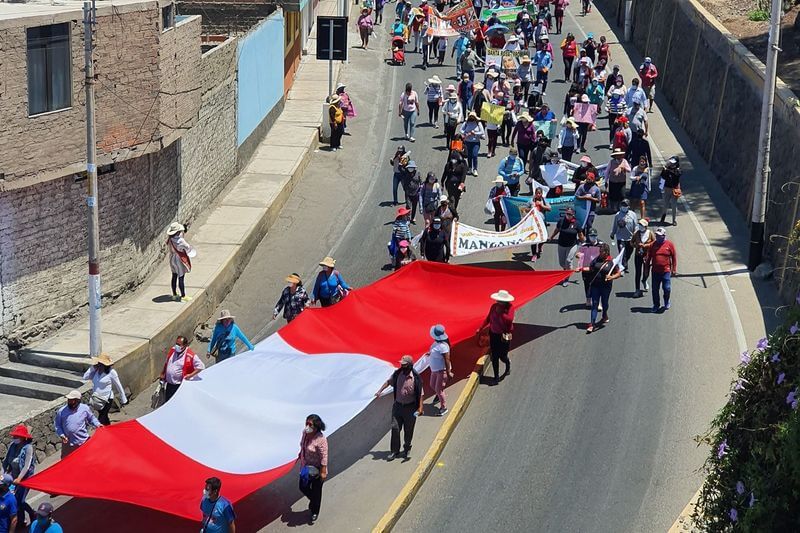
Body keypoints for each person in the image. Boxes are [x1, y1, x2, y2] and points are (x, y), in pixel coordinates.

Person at [374, 355, 423, 460]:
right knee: (395, 428)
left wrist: (420, 408)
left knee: (408, 430)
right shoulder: (397, 374)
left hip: (410, 409)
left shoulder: (416, 378)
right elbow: (388, 382)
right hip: (397, 407)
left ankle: (407, 448)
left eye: (404, 365)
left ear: (409, 365)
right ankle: (394, 451)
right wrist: (379, 391)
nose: (402, 366)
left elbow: (420, 395)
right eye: (402, 364)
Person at [478, 290, 515, 383]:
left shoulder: (510, 308)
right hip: (493, 334)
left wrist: (501, 313)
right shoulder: (494, 307)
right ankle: (496, 377)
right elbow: (488, 318)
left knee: (503, 356)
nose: (498, 302)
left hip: (503, 336)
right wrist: (481, 327)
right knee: (494, 356)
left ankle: (507, 364)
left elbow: (509, 320)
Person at [2, 426, 35, 528]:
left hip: (25, 478)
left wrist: (19, 478)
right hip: (14, 476)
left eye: (17, 436)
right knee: (14, 499)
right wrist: (2, 474)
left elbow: (27, 465)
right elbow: (6, 461)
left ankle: (26, 517)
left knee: (20, 500)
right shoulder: (12, 446)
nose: (14, 438)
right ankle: (22, 519)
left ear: (23, 437)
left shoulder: (28, 448)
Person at [586, 243, 622, 333]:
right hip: (595, 286)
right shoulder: (596, 260)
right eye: (600, 251)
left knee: (605, 303)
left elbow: (618, 273)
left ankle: (604, 314)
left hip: (606, 287)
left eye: (601, 251)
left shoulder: (612, 262)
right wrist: (581, 269)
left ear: (606, 252)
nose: (600, 253)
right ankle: (592, 323)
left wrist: (612, 277)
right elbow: (591, 268)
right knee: (594, 304)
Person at [298, 414, 328, 524]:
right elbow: (302, 445)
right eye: (306, 423)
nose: (307, 426)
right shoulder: (305, 433)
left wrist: (323, 471)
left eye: (310, 424)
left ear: (316, 427)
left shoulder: (321, 439)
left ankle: (315, 511)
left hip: (317, 469)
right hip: (306, 467)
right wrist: (300, 454)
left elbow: (324, 456)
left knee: (317, 491)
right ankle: (313, 500)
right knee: (303, 486)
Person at [54, 390, 101, 459]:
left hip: (82, 441)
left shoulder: (85, 408)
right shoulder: (61, 411)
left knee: (86, 459)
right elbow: (57, 425)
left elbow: (92, 418)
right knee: (66, 461)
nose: (70, 402)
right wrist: (62, 435)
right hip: (68, 443)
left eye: (72, 400)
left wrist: (98, 424)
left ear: (78, 401)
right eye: (69, 400)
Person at [83, 353, 127, 426]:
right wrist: (93, 367)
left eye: (101, 364)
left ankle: (104, 433)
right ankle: (109, 429)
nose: (99, 365)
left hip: (107, 399)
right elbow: (85, 377)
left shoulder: (111, 372)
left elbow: (118, 386)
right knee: (104, 417)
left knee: (101, 419)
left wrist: (123, 399)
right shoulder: (96, 371)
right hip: (96, 399)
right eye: (99, 363)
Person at [161, 335, 204, 402]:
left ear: (184, 345)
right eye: (176, 343)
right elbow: (167, 362)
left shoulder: (190, 355)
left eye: (179, 344)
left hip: (178, 386)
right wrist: (163, 373)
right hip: (169, 385)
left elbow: (201, 366)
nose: (176, 346)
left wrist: (190, 375)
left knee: (177, 402)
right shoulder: (173, 350)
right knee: (167, 402)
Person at [425, 325, 453, 416]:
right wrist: (430, 354)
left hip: (441, 371)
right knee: (432, 385)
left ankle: (443, 407)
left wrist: (448, 372)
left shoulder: (443, 347)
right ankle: (440, 395)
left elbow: (447, 360)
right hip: (435, 370)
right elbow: (435, 352)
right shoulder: (436, 344)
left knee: (438, 389)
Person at [649, 227, 677, 312]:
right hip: (655, 272)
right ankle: (656, 305)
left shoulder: (669, 244)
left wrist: (674, 269)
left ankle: (666, 300)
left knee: (667, 288)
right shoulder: (653, 245)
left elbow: (674, 257)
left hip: (666, 271)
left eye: (659, 236)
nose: (657, 237)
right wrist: (646, 269)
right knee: (655, 289)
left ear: (664, 236)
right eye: (656, 235)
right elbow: (648, 258)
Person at [166, 222, 195, 302]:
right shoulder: (180, 240)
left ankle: (174, 294)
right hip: (179, 259)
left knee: (174, 276)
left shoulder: (170, 239)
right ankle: (183, 296)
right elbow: (188, 247)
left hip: (172, 258)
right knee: (181, 277)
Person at [550, 206, 583, 274]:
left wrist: (584, 243)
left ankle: (567, 275)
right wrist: (552, 236)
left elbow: (580, 235)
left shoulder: (577, 223)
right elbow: (557, 229)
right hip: (561, 244)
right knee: (562, 263)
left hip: (572, 245)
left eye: (570, 214)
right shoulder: (561, 221)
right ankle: (566, 270)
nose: (568, 215)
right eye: (567, 213)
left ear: (573, 214)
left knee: (568, 261)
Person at [577, 228, 605, 307]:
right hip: (586, 268)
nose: (593, 237)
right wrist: (578, 255)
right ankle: (588, 299)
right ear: (588, 236)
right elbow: (580, 253)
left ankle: (598, 302)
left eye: (594, 236)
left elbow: (605, 254)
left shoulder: (601, 244)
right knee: (587, 284)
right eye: (591, 236)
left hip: (597, 268)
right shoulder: (584, 245)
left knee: (598, 285)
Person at [610, 199, 638, 272]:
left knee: (629, 253)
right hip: (620, 238)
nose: (624, 207)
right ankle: (624, 265)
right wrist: (612, 233)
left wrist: (636, 235)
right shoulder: (618, 215)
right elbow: (615, 225)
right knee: (622, 253)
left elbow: (636, 226)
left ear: (628, 206)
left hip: (630, 238)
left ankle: (624, 262)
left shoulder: (633, 215)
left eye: (625, 205)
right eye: (623, 205)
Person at [631, 219, 655, 298]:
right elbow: (631, 242)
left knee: (646, 271)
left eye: (642, 225)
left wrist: (646, 246)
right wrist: (636, 246)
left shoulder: (650, 233)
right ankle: (637, 289)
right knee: (638, 272)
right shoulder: (636, 233)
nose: (640, 227)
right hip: (638, 255)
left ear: (646, 226)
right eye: (639, 225)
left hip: (647, 255)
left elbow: (654, 242)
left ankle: (644, 280)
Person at [460, 111, 485, 176]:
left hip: (475, 142)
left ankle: (475, 169)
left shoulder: (478, 123)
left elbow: (482, 132)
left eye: (473, 117)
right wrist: (466, 133)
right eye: (471, 117)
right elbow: (461, 130)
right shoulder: (466, 122)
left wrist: (475, 133)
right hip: (467, 142)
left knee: (475, 155)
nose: (472, 118)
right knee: (469, 155)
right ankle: (470, 168)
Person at [660, 155, 682, 226]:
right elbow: (663, 176)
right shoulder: (666, 169)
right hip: (666, 188)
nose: (672, 164)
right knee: (665, 204)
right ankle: (663, 215)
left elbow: (677, 175)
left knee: (673, 205)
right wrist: (665, 170)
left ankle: (674, 220)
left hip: (674, 189)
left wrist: (669, 170)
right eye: (671, 163)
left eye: (673, 163)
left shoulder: (678, 170)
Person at [530, 187, 551, 262]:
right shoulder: (531, 200)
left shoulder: (544, 200)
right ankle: (534, 254)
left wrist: (542, 206)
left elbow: (549, 208)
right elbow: (526, 209)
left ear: (542, 194)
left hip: (542, 222)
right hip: (533, 223)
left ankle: (540, 246)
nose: (538, 195)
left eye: (539, 193)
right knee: (533, 239)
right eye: (537, 193)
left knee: (543, 237)